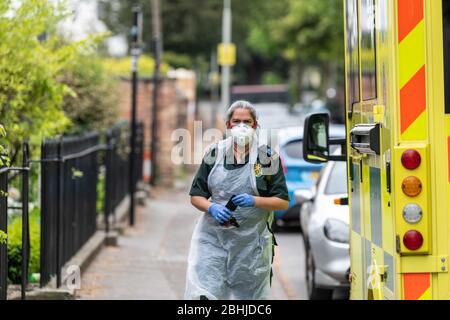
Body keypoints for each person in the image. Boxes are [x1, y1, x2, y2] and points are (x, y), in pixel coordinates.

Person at [185, 100, 289, 300]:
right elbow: (196, 196)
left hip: (251, 244)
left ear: (255, 125)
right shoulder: (215, 154)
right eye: (236, 121)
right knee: (206, 292)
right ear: (228, 125)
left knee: (249, 298)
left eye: (247, 122)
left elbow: (282, 201)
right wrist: (212, 207)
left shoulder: (267, 158)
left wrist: (255, 201)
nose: (242, 126)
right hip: (213, 238)